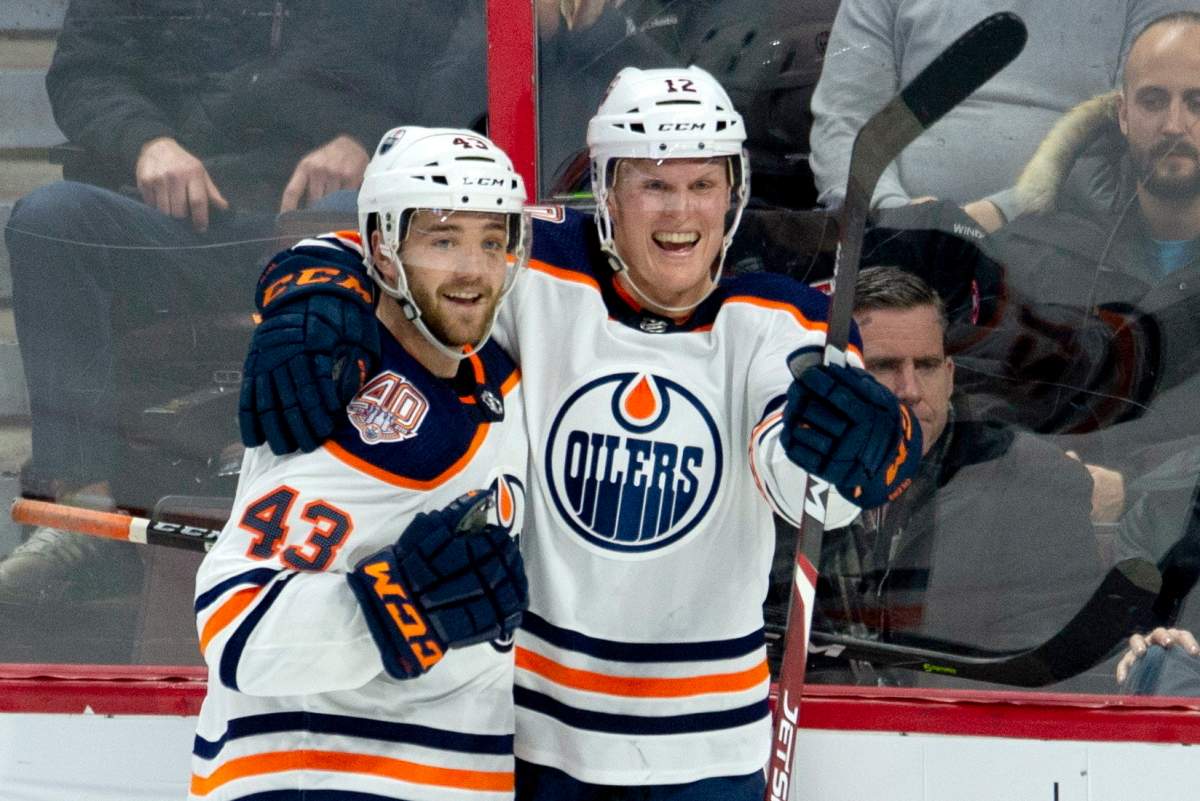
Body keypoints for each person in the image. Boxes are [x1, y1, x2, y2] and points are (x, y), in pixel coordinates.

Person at [236, 65, 921, 799]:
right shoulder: (533, 264)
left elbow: (800, 473)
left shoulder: (786, 319)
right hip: (536, 738)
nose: (679, 211)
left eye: (702, 185)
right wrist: (313, 297)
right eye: (653, 183)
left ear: (734, 193)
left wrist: (857, 452)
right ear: (606, 189)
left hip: (708, 751)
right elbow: (389, 244)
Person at [0, 0, 486, 608]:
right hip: (185, 219)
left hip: (335, 219)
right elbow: (84, 70)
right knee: (52, 219)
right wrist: (147, 142)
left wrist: (376, 146)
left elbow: (462, 69)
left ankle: (355, 517)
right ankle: (80, 521)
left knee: (369, 234)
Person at [189, 126, 530, 800]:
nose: (472, 267)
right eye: (442, 238)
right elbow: (237, 628)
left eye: (491, 240)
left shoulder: (495, 366)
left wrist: (312, 267)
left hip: (454, 775)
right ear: (385, 247)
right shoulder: (333, 389)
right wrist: (404, 602)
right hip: (316, 777)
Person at [973, 11, 1200, 565]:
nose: (1175, 124)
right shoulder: (1038, 251)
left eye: (1197, 102)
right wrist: (1051, 474)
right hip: (1045, 554)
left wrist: (1138, 487)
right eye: (1153, 101)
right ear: (1121, 115)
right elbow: (973, 396)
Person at [809, 267, 1105, 686]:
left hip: (962, 738)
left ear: (949, 375)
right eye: (883, 366)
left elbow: (1050, 671)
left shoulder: (1036, 484)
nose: (909, 388)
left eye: (926, 366)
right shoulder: (776, 476)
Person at [808, 0, 1187, 232]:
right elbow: (846, 120)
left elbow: (1150, 129)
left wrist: (1003, 212)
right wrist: (890, 214)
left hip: (1070, 245)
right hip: (895, 239)